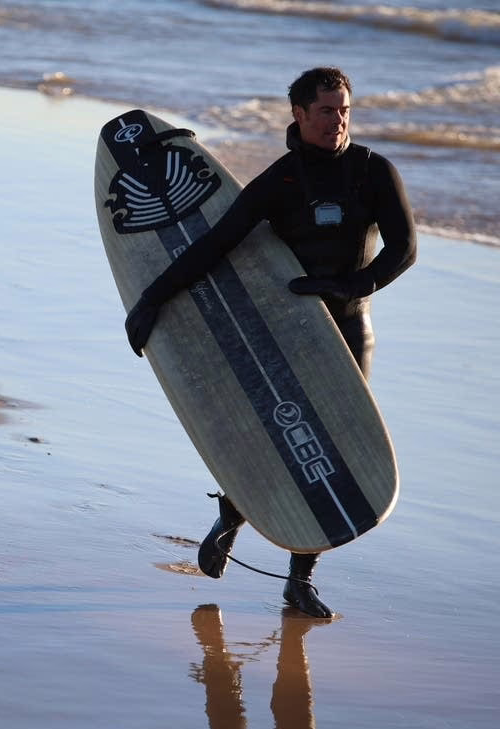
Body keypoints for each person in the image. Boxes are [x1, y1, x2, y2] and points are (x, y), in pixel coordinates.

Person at [125, 67, 416, 618]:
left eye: (345, 110)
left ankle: (299, 581)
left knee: (331, 450)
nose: (338, 121)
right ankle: (231, 519)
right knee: (271, 431)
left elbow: (403, 249)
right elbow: (215, 245)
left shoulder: (373, 172)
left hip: (349, 324)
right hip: (286, 328)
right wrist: (152, 298)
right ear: (300, 115)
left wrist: (354, 284)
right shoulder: (279, 182)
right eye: (327, 111)